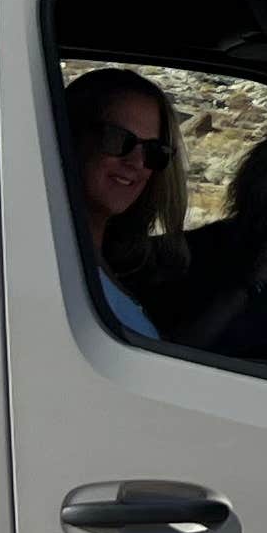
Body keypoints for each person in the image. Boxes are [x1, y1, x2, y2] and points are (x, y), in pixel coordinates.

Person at [58, 67, 184, 339]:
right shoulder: (54, 265)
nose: (136, 162)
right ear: (71, 136)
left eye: (153, 151)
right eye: (118, 139)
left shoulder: (94, 257)